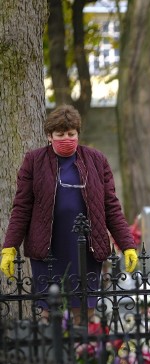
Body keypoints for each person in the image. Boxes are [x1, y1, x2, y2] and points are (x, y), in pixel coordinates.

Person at [1, 105, 138, 322]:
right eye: (60, 134)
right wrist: (10, 247)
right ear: (49, 136)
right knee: (47, 311)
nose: (67, 138)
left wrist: (128, 245)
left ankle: (82, 354)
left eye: (71, 134)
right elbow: (22, 207)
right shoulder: (34, 161)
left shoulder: (96, 160)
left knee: (83, 310)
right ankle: (51, 355)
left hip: (85, 245)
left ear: (78, 134)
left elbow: (110, 206)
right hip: (48, 246)